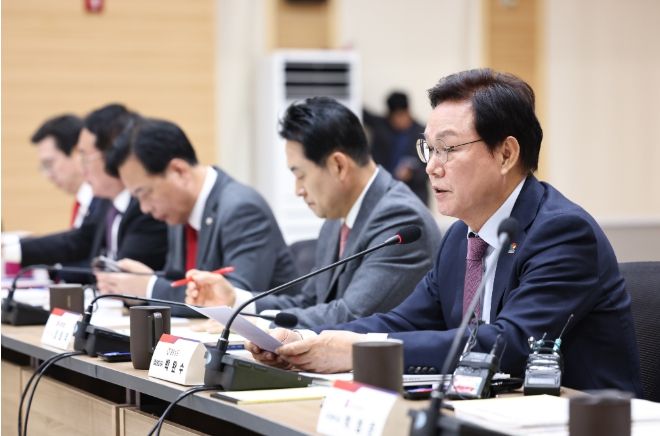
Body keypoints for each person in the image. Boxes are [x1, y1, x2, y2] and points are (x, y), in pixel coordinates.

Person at [245, 69, 643, 395]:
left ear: (506, 154)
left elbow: (508, 343)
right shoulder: (459, 238)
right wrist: (309, 339)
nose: (432, 167)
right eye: (429, 149)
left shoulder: (562, 232)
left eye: (448, 149)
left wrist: (355, 349)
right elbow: (402, 322)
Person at [185, 97, 441, 328]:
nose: (298, 190)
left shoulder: (399, 218)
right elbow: (310, 301)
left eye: (301, 175)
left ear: (338, 165)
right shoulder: (337, 218)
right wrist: (235, 300)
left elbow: (351, 316)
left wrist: (255, 326)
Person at [96, 117, 298, 310]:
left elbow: (231, 299)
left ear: (179, 171)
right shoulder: (179, 212)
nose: (144, 208)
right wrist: (140, 284)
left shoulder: (241, 208)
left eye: (145, 193)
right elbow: (180, 282)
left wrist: (149, 288)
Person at [3, 104, 169, 281]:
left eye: (85, 157)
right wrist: (10, 248)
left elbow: (120, 278)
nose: (81, 167)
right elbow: (80, 241)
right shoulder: (107, 201)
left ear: (112, 156)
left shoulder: (146, 208)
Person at [364, 91, 428, 204]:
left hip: (413, 196)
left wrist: (411, 174)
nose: (399, 121)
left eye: (401, 115)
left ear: (408, 111)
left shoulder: (422, 133)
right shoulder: (381, 126)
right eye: (395, 117)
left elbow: (428, 171)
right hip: (384, 194)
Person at [30, 114, 93, 228]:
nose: (48, 175)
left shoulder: (102, 202)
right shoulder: (82, 201)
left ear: (77, 153)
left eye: (49, 164)